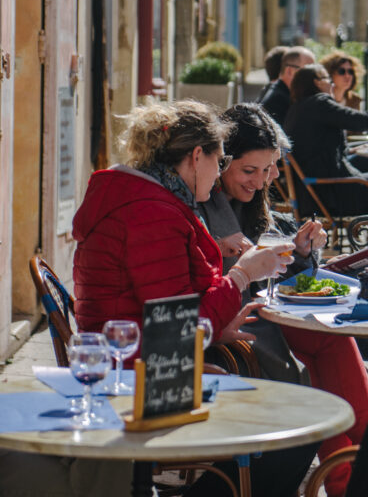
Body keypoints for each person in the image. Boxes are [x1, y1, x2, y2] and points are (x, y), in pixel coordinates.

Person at [71, 99, 314, 497]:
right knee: (296, 423)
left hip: (139, 360)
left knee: (291, 410)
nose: (219, 175)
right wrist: (241, 275)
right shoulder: (152, 212)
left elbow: (169, 311)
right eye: (220, 163)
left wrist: (219, 329)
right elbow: (175, 332)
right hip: (138, 374)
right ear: (197, 156)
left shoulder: (146, 197)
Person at [201, 103, 368, 497]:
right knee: (321, 365)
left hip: (266, 313)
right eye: (250, 170)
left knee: (333, 337)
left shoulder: (246, 201)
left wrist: (300, 249)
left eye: (270, 169)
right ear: (216, 160)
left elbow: (275, 264)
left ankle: (363, 466)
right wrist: (227, 255)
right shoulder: (197, 200)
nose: (263, 181)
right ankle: (351, 476)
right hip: (228, 327)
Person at [284, 63, 368, 215]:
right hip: (332, 194)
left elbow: (316, 146)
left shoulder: (297, 108)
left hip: (312, 193)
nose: (332, 83)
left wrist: (349, 150)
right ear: (317, 82)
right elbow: (364, 121)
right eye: (327, 79)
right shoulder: (320, 103)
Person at [259, 46, 315, 126]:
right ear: (289, 71)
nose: (314, 77)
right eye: (309, 71)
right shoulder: (278, 100)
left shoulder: (283, 93)